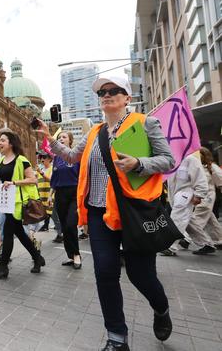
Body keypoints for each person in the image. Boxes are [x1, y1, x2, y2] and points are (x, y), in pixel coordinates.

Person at [37, 76, 175, 351]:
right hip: (99, 213)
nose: (107, 95)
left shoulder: (144, 123)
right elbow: (72, 156)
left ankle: (161, 309)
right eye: (102, 92)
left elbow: (168, 159)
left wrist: (139, 163)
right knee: (105, 272)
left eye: (114, 91)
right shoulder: (94, 132)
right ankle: (117, 337)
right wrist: (48, 137)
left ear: (127, 98)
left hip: (133, 212)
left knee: (140, 274)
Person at [0, 129, 45, 279]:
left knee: (7, 231)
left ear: (11, 143)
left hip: (18, 204)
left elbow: (33, 180)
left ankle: (3, 266)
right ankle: (37, 258)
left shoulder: (21, 160)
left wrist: (14, 182)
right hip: (6, 203)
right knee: (19, 232)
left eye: (3, 140)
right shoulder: (1, 160)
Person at [164, 152, 216, 256]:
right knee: (189, 222)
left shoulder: (191, 159)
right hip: (176, 196)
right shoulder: (172, 159)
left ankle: (171, 246)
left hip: (185, 195)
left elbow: (200, 178)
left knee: (177, 220)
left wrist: (199, 194)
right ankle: (206, 243)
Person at [51, 132, 81, 269]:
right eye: (59, 138)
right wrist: (50, 195)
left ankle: (76, 254)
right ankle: (71, 255)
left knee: (70, 224)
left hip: (74, 193)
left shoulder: (76, 155)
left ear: (70, 140)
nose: (60, 139)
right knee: (64, 227)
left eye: (63, 137)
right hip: (60, 194)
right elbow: (55, 177)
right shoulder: (56, 158)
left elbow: (82, 176)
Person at [188, 147, 222, 249]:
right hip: (201, 196)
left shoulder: (212, 167)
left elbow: (220, 181)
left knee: (197, 218)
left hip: (207, 197)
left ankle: (186, 239)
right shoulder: (198, 167)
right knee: (210, 220)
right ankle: (220, 239)